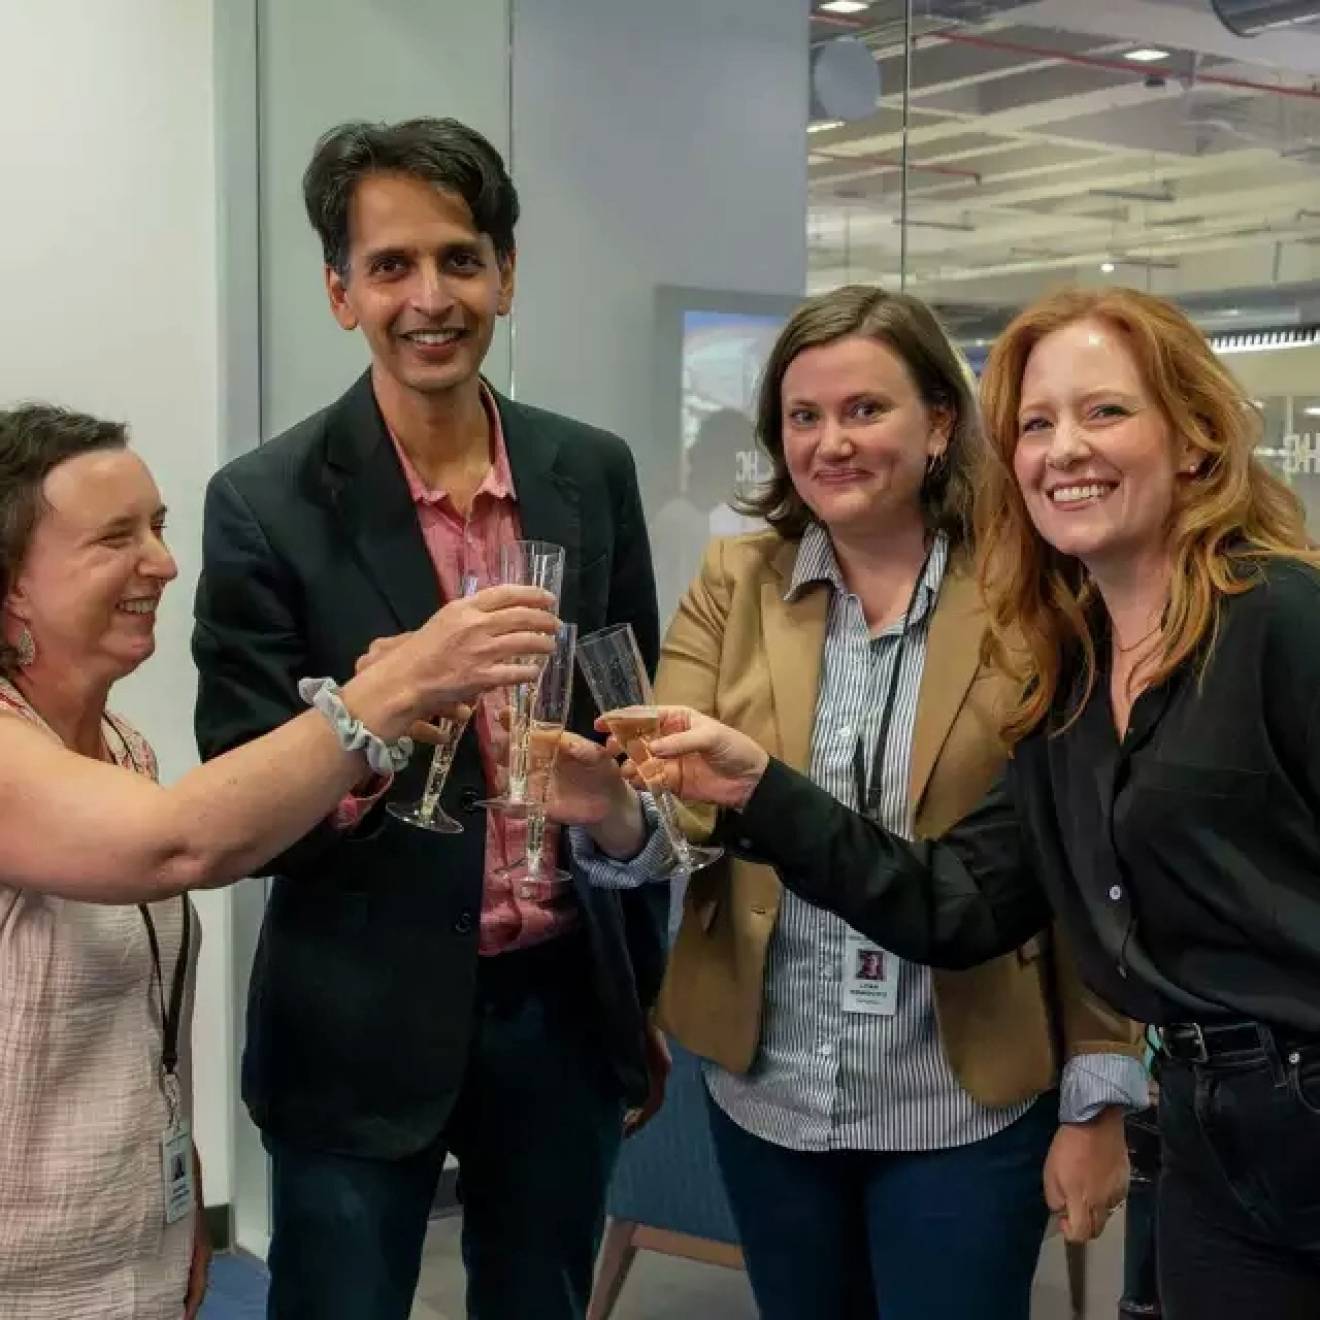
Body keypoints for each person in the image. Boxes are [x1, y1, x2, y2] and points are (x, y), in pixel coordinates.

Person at [625, 287, 1320, 1319]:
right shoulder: (1072, 674)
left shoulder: (1278, 617)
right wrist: (755, 788)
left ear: (1196, 439)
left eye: (1106, 413)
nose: (1064, 449)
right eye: (1038, 424)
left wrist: (1093, 1086)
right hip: (1205, 1131)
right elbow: (955, 905)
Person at [555, 286, 1144, 1320]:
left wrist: (1099, 1091)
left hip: (963, 1091)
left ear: (941, 425)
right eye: (803, 417)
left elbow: (1078, 866)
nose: (831, 442)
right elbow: (676, 815)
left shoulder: (1034, 597)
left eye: (866, 410)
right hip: (772, 1089)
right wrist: (606, 802)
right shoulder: (736, 582)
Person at [192, 117, 666, 1320]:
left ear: (506, 272)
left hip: (558, 1009)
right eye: (391, 266)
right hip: (356, 1018)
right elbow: (241, 798)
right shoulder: (264, 503)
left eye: (460, 259)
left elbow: (634, 732)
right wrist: (377, 716)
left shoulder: (589, 472)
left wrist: (636, 985)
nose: (431, 297)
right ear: (340, 293)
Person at [0, 403, 554, 1319]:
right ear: (13, 582)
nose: (164, 563)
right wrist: (393, 687)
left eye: (158, 528)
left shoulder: (122, 747)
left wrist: (179, 1208)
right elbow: (182, 842)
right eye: (115, 539)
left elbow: (143, 1024)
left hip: (126, 1242)